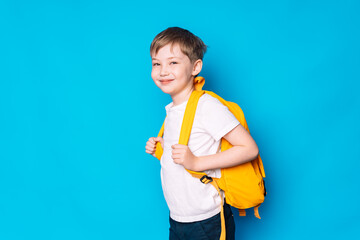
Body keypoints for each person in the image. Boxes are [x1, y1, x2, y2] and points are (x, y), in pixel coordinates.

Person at [145, 27, 259, 240]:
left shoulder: (207, 106)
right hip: (178, 219)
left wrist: (196, 162)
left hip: (207, 222)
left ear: (195, 67)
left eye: (173, 63)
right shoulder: (174, 110)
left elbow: (249, 148)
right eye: (156, 63)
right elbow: (188, 150)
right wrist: (161, 149)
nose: (162, 71)